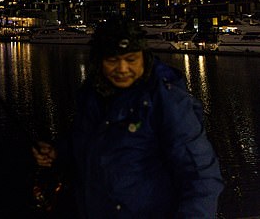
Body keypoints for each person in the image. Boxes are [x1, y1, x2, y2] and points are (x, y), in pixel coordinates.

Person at [32, 17, 224, 217]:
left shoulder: (167, 101)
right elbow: (89, 142)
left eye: (131, 59)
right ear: (98, 61)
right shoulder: (92, 95)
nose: (122, 68)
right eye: (112, 60)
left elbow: (202, 177)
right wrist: (58, 151)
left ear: (144, 57)